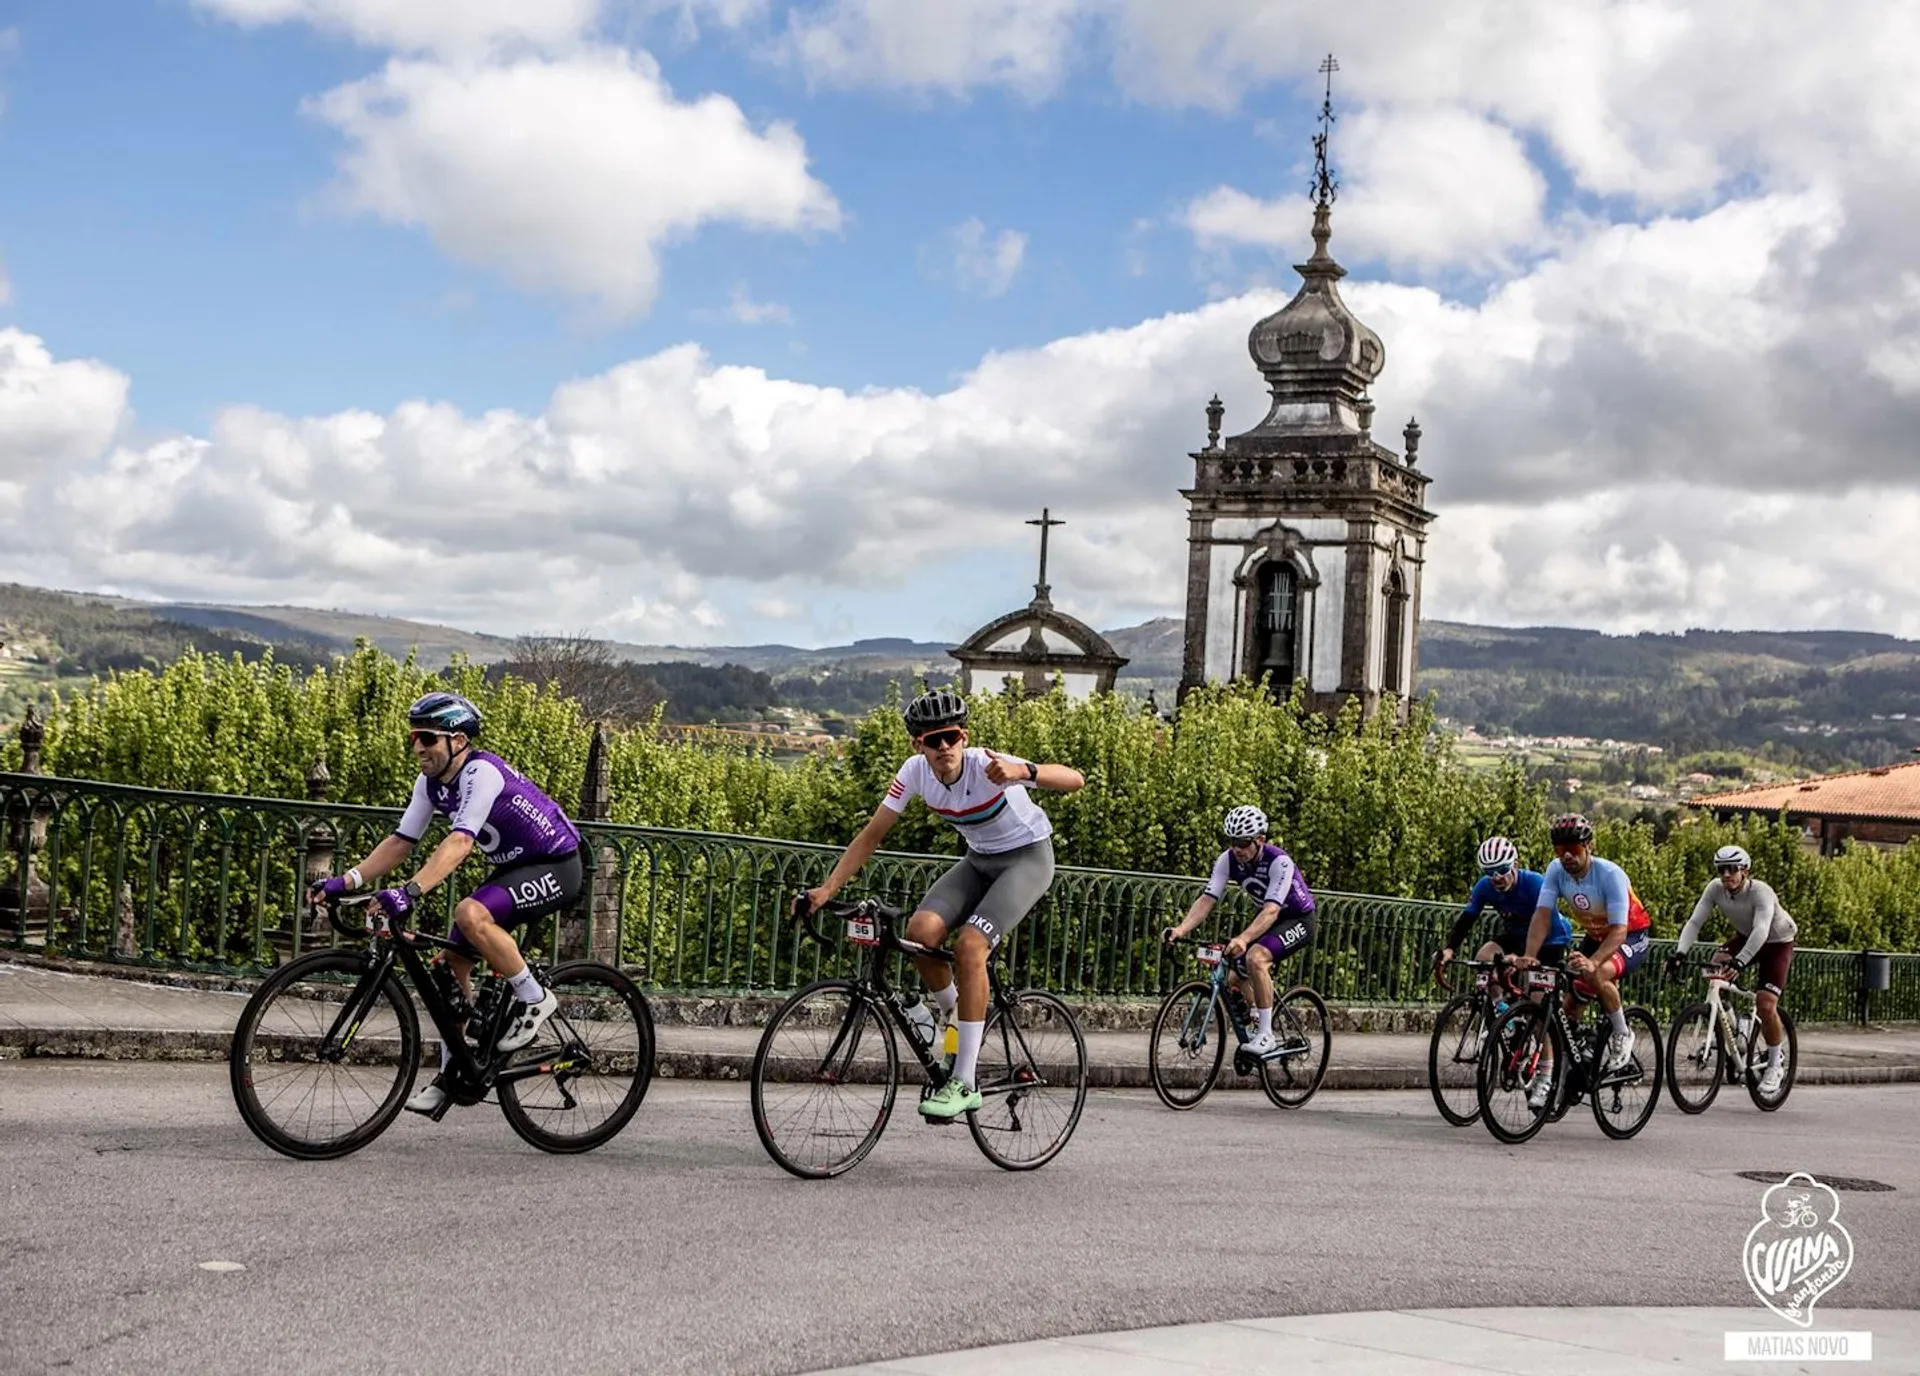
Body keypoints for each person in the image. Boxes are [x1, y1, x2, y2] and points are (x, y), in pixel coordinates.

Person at [803, 688, 1084, 1121]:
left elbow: (1075, 779)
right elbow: (871, 835)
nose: (943, 747)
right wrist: (826, 889)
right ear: (918, 745)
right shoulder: (914, 773)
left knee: (971, 947)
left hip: (1027, 859)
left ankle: (964, 1082)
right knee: (920, 933)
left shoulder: (988, 764)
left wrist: (1021, 770)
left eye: (951, 736)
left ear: (964, 737)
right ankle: (956, 1013)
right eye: (932, 741)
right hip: (978, 861)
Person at [309, 691, 583, 1115]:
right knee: (448, 973)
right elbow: (402, 840)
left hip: (556, 863)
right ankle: (455, 1075)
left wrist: (410, 891)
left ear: (457, 740)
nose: (417, 746)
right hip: (514, 869)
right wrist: (346, 881)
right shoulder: (430, 784)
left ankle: (534, 998)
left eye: (427, 738)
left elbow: (460, 842)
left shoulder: (481, 772)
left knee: (469, 913)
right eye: (413, 738)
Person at [1514, 813, 1652, 1107]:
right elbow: (1542, 915)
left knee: (1598, 974)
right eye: (1559, 850)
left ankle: (1621, 1032)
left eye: (1574, 849)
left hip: (1629, 935)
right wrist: (1529, 955)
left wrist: (1594, 963)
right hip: (1595, 934)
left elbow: (1619, 930)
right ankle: (1572, 1060)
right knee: (1571, 1001)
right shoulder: (1556, 871)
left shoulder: (1610, 875)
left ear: (1590, 846)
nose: (1566, 856)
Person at [1161, 805, 1317, 1056]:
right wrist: (1180, 930)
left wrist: (1244, 938)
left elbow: (1271, 911)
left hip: (1297, 918)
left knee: (1256, 957)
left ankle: (1266, 1035)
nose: (1237, 848)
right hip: (1268, 916)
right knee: (1234, 977)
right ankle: (1257, 1018)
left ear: (1260, 840)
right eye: (1233, 841)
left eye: (1244, 843)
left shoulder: (1279, 862)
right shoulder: (1228, 859)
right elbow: (1207, 899)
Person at [1667, 844, 1798, 1096]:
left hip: (1777, 943)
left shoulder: (1761, 892)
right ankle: (1735, 1029)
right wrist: (1680, 953)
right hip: (1747, 936)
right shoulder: (1715, 889)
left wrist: (1740, 962)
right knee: (1716, 966)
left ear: (1745, 871)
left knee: (1766, 1004)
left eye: (1732, 869)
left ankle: (1774, 1064)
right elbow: (1695, 921)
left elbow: (1762, 930)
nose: (1726, 875)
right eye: (1721, 870)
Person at [1435, 835, 1571, 978]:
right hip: (1517, 935)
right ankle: (1498, 1000)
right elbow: (1467, 920)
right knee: (1484, 958)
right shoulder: (1484, 886)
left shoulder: (1535, 883)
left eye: (1503, 869)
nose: (1497, 877)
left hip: (1550, 938)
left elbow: (1547, 922)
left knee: (1534, 993)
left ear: (1515, 865)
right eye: (1489, 872)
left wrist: (1525, 956)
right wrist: (1449, 949)